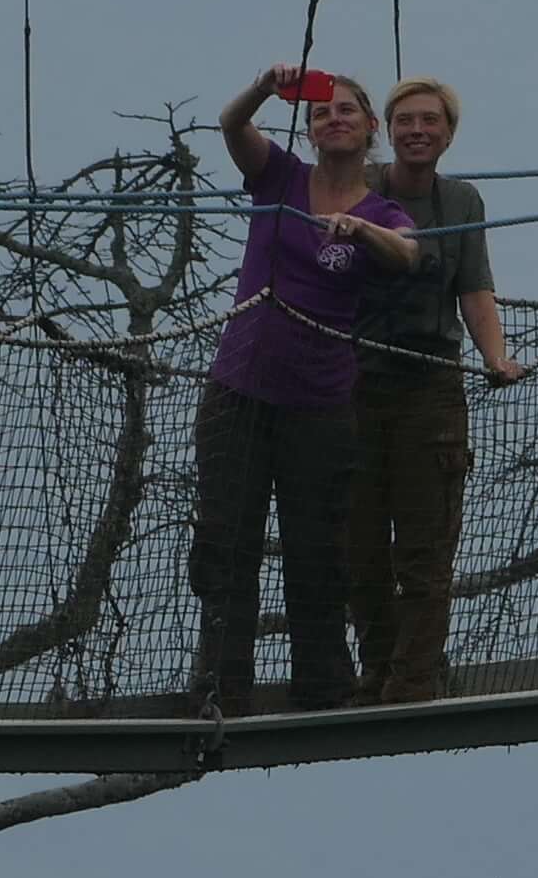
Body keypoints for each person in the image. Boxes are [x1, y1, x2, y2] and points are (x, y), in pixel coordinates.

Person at [190, 60, 419, 712]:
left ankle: (323, 687)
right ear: (311, 128)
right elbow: (231, 125)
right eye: (322, 112)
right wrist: (266, 87)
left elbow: (408, 252)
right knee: (224, 543)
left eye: (347, 110)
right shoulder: (280, 177)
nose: (334, 118)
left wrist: (362, 230)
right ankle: (219, 687)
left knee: (317, 550)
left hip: (319, 404)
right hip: (240, 391)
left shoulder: (384, 209)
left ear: (371, 127)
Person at [343, 73, 521, 707]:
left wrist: (496, 358)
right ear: (386, 132)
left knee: (424, 546)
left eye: (430, 121)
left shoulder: (461, 202)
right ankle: (375, 668)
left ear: (448, 132)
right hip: (354, 385)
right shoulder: (357, 189)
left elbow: (474, 288)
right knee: (359, 544)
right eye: (405, 121)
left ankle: (414, 677)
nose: (417, 131)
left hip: (430, 388)